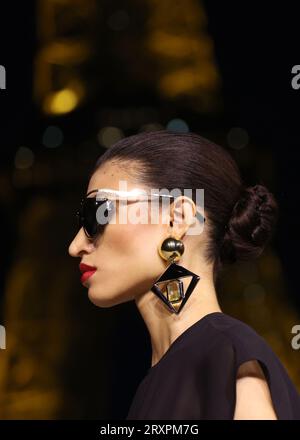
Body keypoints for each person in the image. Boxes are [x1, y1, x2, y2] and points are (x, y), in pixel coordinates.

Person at [68, 130, 300, 420]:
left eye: (96, 214)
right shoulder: (176, 370)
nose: (75, 246)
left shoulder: (228, 359)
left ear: (177, 219)